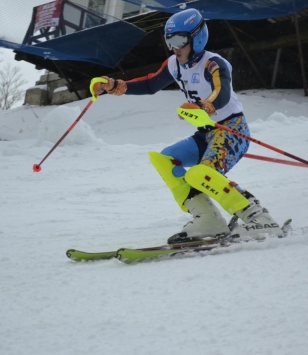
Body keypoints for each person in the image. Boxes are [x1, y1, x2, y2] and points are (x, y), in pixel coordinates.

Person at [91, 8, 284, 244]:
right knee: (164, 158)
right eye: (169, 40)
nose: (174, 47)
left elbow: (221, 92)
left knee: (201, 173)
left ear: (197, 37)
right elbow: (151, 83)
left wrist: (205, 107)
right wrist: (113, 85)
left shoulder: (213, 63)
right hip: (206, 133)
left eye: (180, 40)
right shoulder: (174, 63)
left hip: (232, 130)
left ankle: (258, 216)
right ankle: (207, 218)